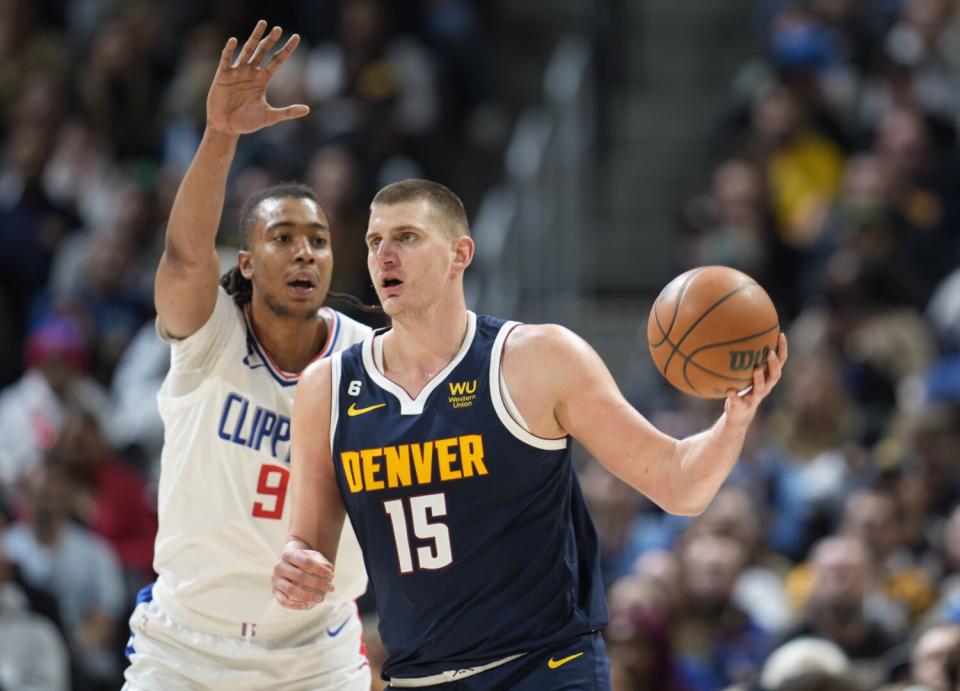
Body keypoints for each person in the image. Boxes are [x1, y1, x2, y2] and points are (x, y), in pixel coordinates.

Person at [272, 179, 787, 688]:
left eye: (406, 237)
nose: (383, 255)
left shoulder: (537, 360)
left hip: (543, 668)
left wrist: (733, 421)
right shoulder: (328, 387)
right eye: (373, 241)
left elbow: (678, 483)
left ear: (460, 254)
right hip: (417, 677)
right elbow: (309, 545)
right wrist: (296, 566)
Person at [123, 21, 372, 691]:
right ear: (247, 262)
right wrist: (222, 135)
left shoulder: (371, 360)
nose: (303, 253)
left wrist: (327, 547)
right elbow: (182, 257)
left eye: (317, 240)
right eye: (283, 236)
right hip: (184, 648)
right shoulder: (209, 337)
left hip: (315, 653)